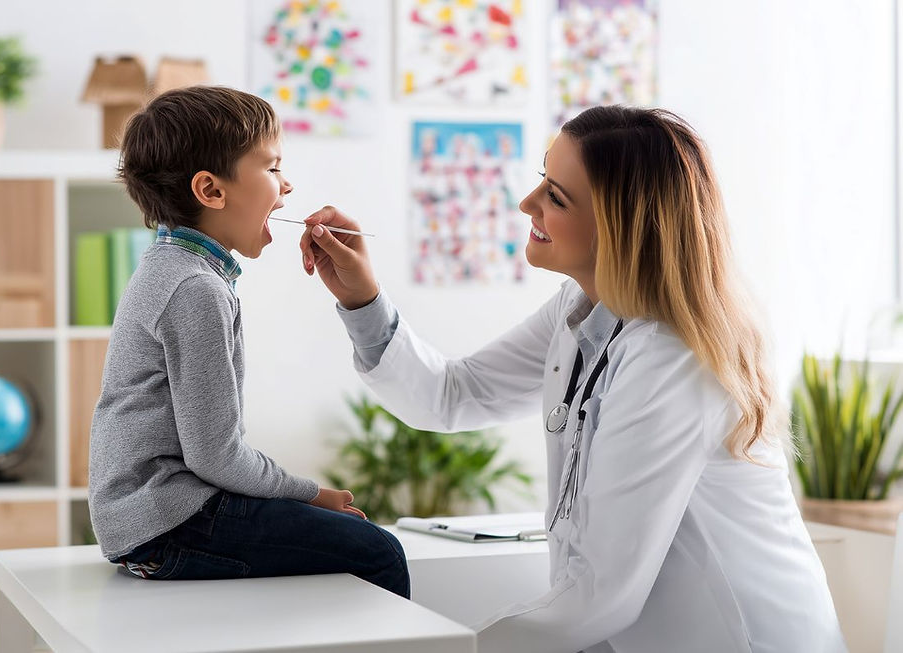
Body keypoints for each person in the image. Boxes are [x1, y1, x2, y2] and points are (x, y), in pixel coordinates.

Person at [300, 106, 845, 651]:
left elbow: (599, 595)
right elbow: (453, 395)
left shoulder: (673, 360)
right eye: (543, 178)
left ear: (620, 226)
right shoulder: (583, 307)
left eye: (556, 197)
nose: (526, 203)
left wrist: (446, 649)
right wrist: (361, 298)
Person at [88, 86, 409, 597]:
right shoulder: (196, 289)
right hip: (170, 523)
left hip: (145, 522)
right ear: (211, 191)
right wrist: (308, 494)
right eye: (273, 167)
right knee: (379, 551)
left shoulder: (170, 268)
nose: (287, 186)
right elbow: (216, 458)